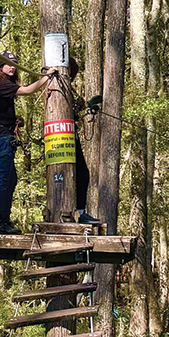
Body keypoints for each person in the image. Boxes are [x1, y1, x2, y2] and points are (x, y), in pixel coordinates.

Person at [0, 52, 48, 233]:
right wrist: (47, 77)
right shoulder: (0, 84)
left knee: (11, 179)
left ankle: (3, 219)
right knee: (3, 180)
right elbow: (28, 90)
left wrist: (15, 120)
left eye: (14, 64)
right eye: (8, 64)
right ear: (0, 67)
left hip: (3, 136)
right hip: (0, 139)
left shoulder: (2, 86)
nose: (12, 67)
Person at [68, 55, 100, 226]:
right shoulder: (59, 87)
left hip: (72, 135)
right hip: (63, 137)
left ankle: (80, 212)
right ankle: (73, 212)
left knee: (82, 173)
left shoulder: (68, 88)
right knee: (76, 174)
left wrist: (83, 107)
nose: (72, 77)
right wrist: (76, 108)